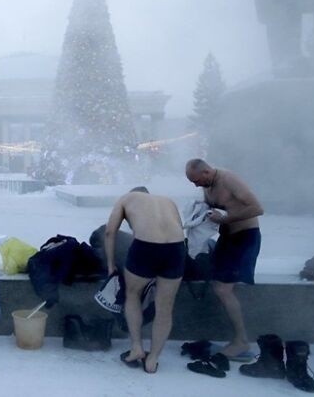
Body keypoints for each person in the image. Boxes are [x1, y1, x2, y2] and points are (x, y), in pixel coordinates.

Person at [185, 158, 264, 359]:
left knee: (222, 288)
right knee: (211, 278)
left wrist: (225, 218)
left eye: (196, 181)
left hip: (245, 238)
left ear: (207, 172)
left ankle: (241, 341)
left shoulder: (229, 179)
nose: (195, 185)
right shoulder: (207, 185)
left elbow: (257, 208)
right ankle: (234, 337)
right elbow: (212, 211)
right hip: (227, 238)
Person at [104, 186, 185, 374]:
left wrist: (110, 265)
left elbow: (109, 232)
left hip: (145, 248)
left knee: (132, 295)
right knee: (165, 308)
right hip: (175, 249)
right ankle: (153, 359)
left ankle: (136, 348)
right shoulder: (167, 200)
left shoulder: (126, 198)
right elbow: (178, 228)